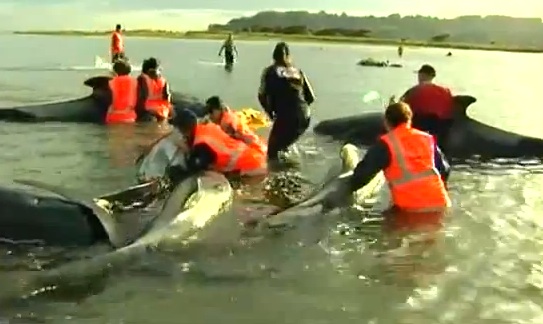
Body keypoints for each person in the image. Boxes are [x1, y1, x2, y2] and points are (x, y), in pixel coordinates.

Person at [326, 102, 451, 213]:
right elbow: (444, 169)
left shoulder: (386, 144)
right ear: (409, 120)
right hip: (441, 204)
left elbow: (363, 175)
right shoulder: (427, 139)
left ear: (386, 122)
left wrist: (340, 193)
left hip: (409, 210)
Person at [166, 109, 267, 182]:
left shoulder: (201, 144)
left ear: (184, 130)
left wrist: (175, 172)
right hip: (255, 157)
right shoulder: (207, 128)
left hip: (251, 167)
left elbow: (193, 169)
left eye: (178, 129)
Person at [258, 42, 315, 164]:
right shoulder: (298, 71)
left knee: (272, 153)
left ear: (273, 57)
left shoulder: (268, 72)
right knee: (283, 145)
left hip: (286, 116)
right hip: (305, 116)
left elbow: (261, 96)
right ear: (289, 56)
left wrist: (270, 113)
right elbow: (311, 98)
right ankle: (291, 168)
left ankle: (282, 175)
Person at [399, 64, 454, 151]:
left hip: (420, 128)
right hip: (441, 130)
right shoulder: (446, 91)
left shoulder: (414, 91)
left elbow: (401, 110)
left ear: (421, 75)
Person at [135, 57, 172, 122]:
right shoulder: (163, 80)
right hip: (163, 110)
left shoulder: (141, 79)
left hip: (148, 109)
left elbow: (141, 97)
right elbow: (167, 96)